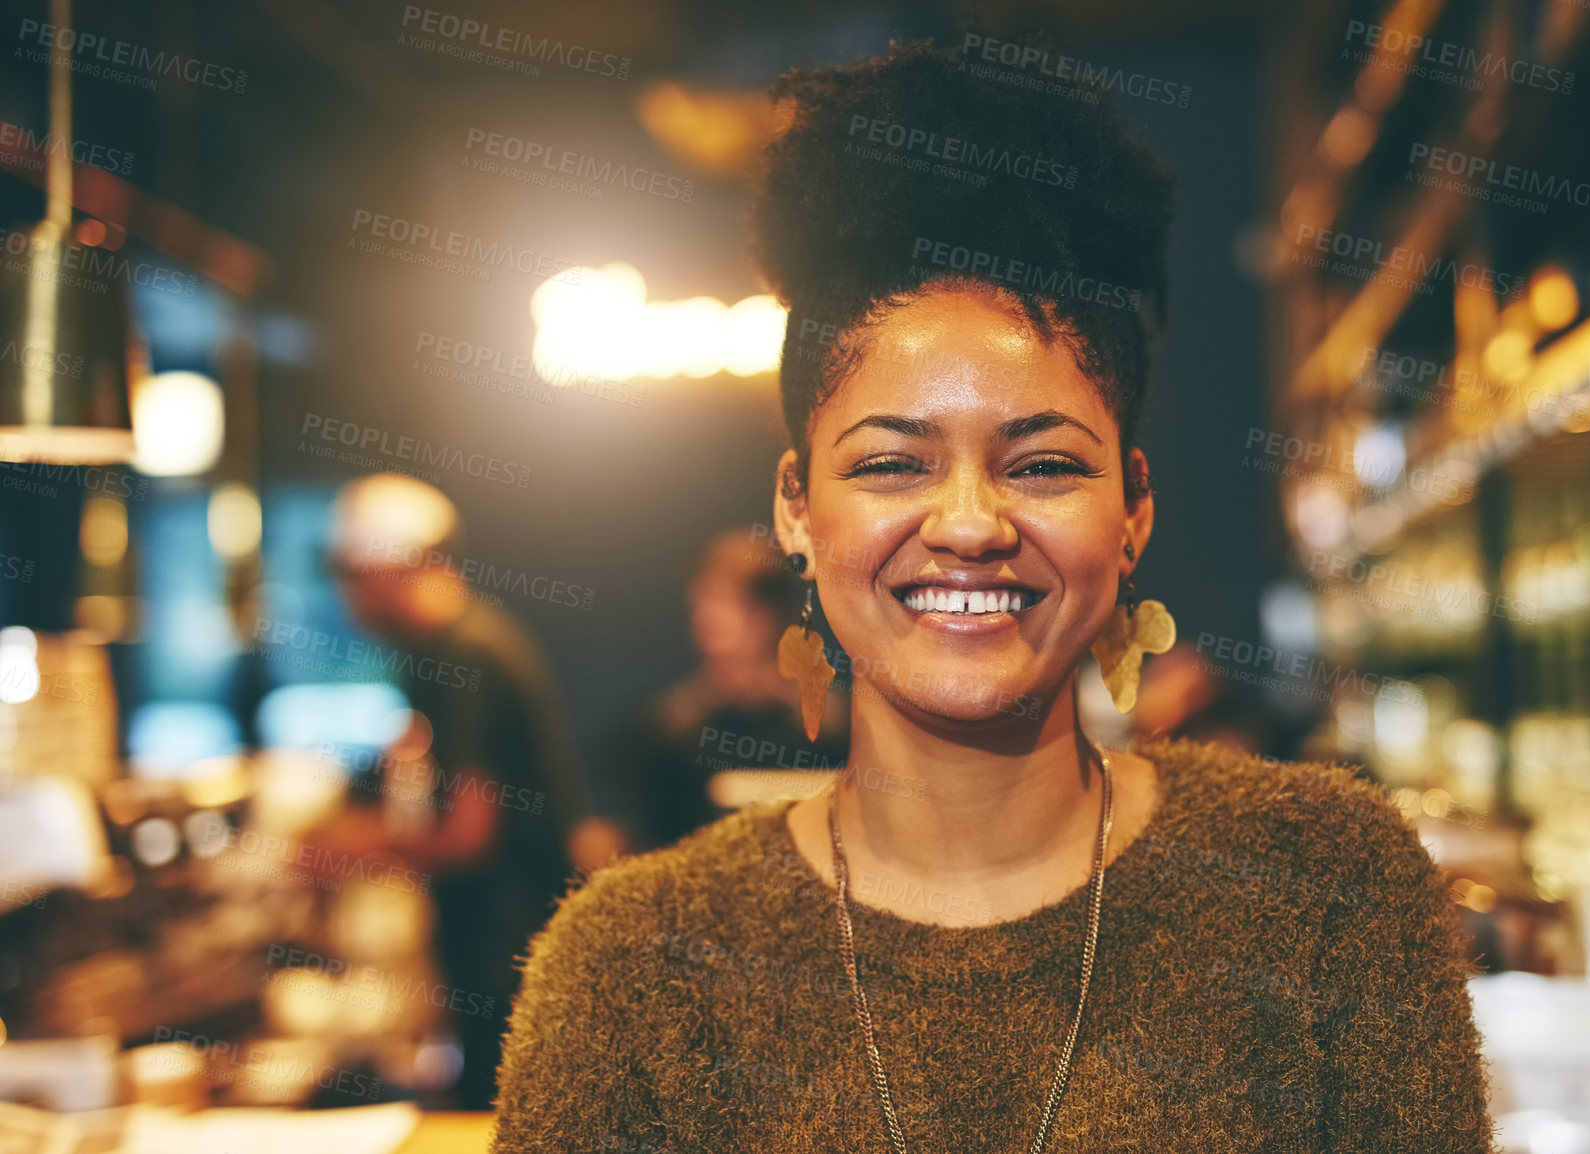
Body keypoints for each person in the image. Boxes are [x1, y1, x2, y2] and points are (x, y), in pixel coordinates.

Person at [493, 36, 1495, 1152]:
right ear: (794, 506)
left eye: (1043, 464)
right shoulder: (635, 964)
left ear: (1134, 511)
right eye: (891, 463)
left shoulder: (1324, 884)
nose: (970, 523)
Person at [312, 472, 626, 1111]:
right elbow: (413, 757)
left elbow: (470, 833)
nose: (347, 597)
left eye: (351, 576)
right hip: (504, 951)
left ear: (390, 569)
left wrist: (353, 850)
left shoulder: (467, 658)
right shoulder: (449, 651)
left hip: (508, 953)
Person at [611, 526, 848, 852]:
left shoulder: (835, 729)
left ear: (768, 615)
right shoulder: (665, 729)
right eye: (701, 601)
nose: (704, 618)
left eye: (722, 602)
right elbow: (638, 845)